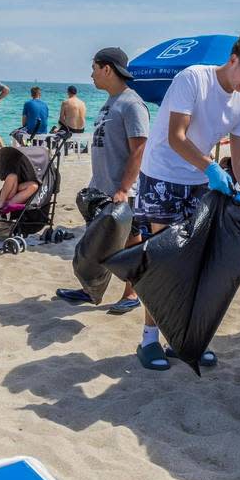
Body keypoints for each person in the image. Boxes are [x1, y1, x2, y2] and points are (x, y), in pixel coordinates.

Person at [132, 30, 240, 370]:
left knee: (193, 262)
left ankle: (180, 340)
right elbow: (176, 137)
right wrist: (211, 167)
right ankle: (149, 340)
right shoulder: (192, 79)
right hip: (162, 175)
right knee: (163, 263)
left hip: (198, 183)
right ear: (234, 59)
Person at [55, 46, 151, 314]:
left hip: (123, 192)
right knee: (98, 242)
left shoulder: (132, 104)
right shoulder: (112, 102)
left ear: (107, 69)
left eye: (95, 68)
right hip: (101, 187)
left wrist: (122, 188)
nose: (92, 74)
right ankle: (91, 290)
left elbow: (139, 149)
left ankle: (132, 294)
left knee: (131, 243)